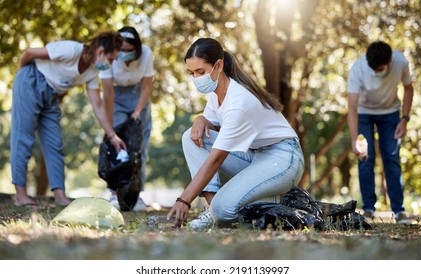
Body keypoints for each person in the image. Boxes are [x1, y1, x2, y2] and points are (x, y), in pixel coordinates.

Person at [166, 38, 305, 230]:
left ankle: (251, 206)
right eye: (191, 73)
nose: (196, 79)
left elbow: (216, 159)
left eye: (200, 72)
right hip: (256, 156)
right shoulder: (217, 93)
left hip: (283, 159)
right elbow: (208, 125)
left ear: (219, 65)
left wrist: (184, 200)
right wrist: (200, 119)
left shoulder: (238, 101)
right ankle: (213, 210)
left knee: (224, 210)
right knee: (191, 136)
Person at [11, 31, 127, 209]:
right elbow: (28, 53)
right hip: (31, 80)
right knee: (23, 138)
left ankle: (60, 196)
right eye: (111, 59)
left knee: (54, 144)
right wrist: (22, 77)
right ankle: (20, 195)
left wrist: (112, 136)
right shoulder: (70, 50)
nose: (110, 64)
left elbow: (97, 105)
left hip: (51, 95)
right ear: (101, 51)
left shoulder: (92, 72)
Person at [347, 41, 414, 224]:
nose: (376, 73)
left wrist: (404, 119)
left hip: (390, 114)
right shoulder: (357, 69)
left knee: (391, 157)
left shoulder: (400, 62)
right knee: (364, 158)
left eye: (380, 69)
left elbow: (408, 89)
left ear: (390, 61)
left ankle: (399, 211)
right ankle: (368, 209)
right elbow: (352, 108)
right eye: (373, 70)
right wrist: (355, 140)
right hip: (363, 114)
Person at [99, 26, 155, 211]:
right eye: (121, 50)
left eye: (129, 51)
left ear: (137, 48)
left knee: (139, 149)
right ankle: (114, 194)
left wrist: (137, 112)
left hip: (139, 97)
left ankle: (137, 195)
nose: (124, 53)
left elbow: (147, 88)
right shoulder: (109, 56)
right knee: (117, 147)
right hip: (115, 98)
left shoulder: (146, 54)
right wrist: (110, 126)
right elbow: (107, 91)